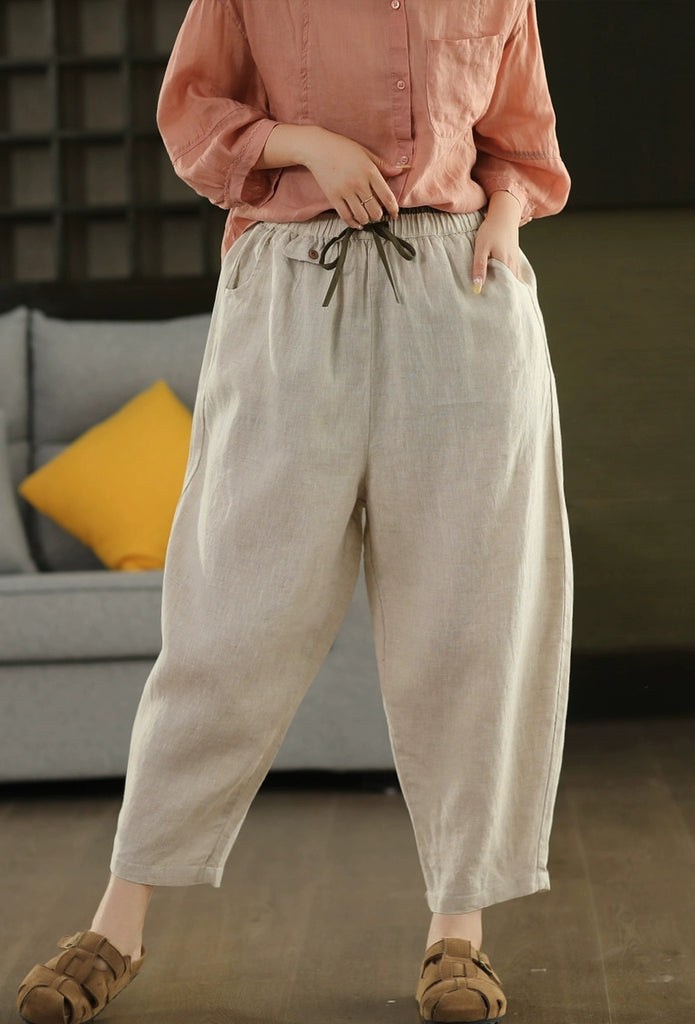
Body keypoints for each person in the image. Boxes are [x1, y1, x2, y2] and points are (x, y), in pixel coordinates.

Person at [16, 1, 573, 1022]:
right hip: (289, 293)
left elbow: (519, 148)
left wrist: (501, 218)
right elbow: (193, 113)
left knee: (473, 624)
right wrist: (304, 142)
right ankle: (117, 921)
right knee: (226, 623)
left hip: (462, 302)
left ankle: (458, 932)